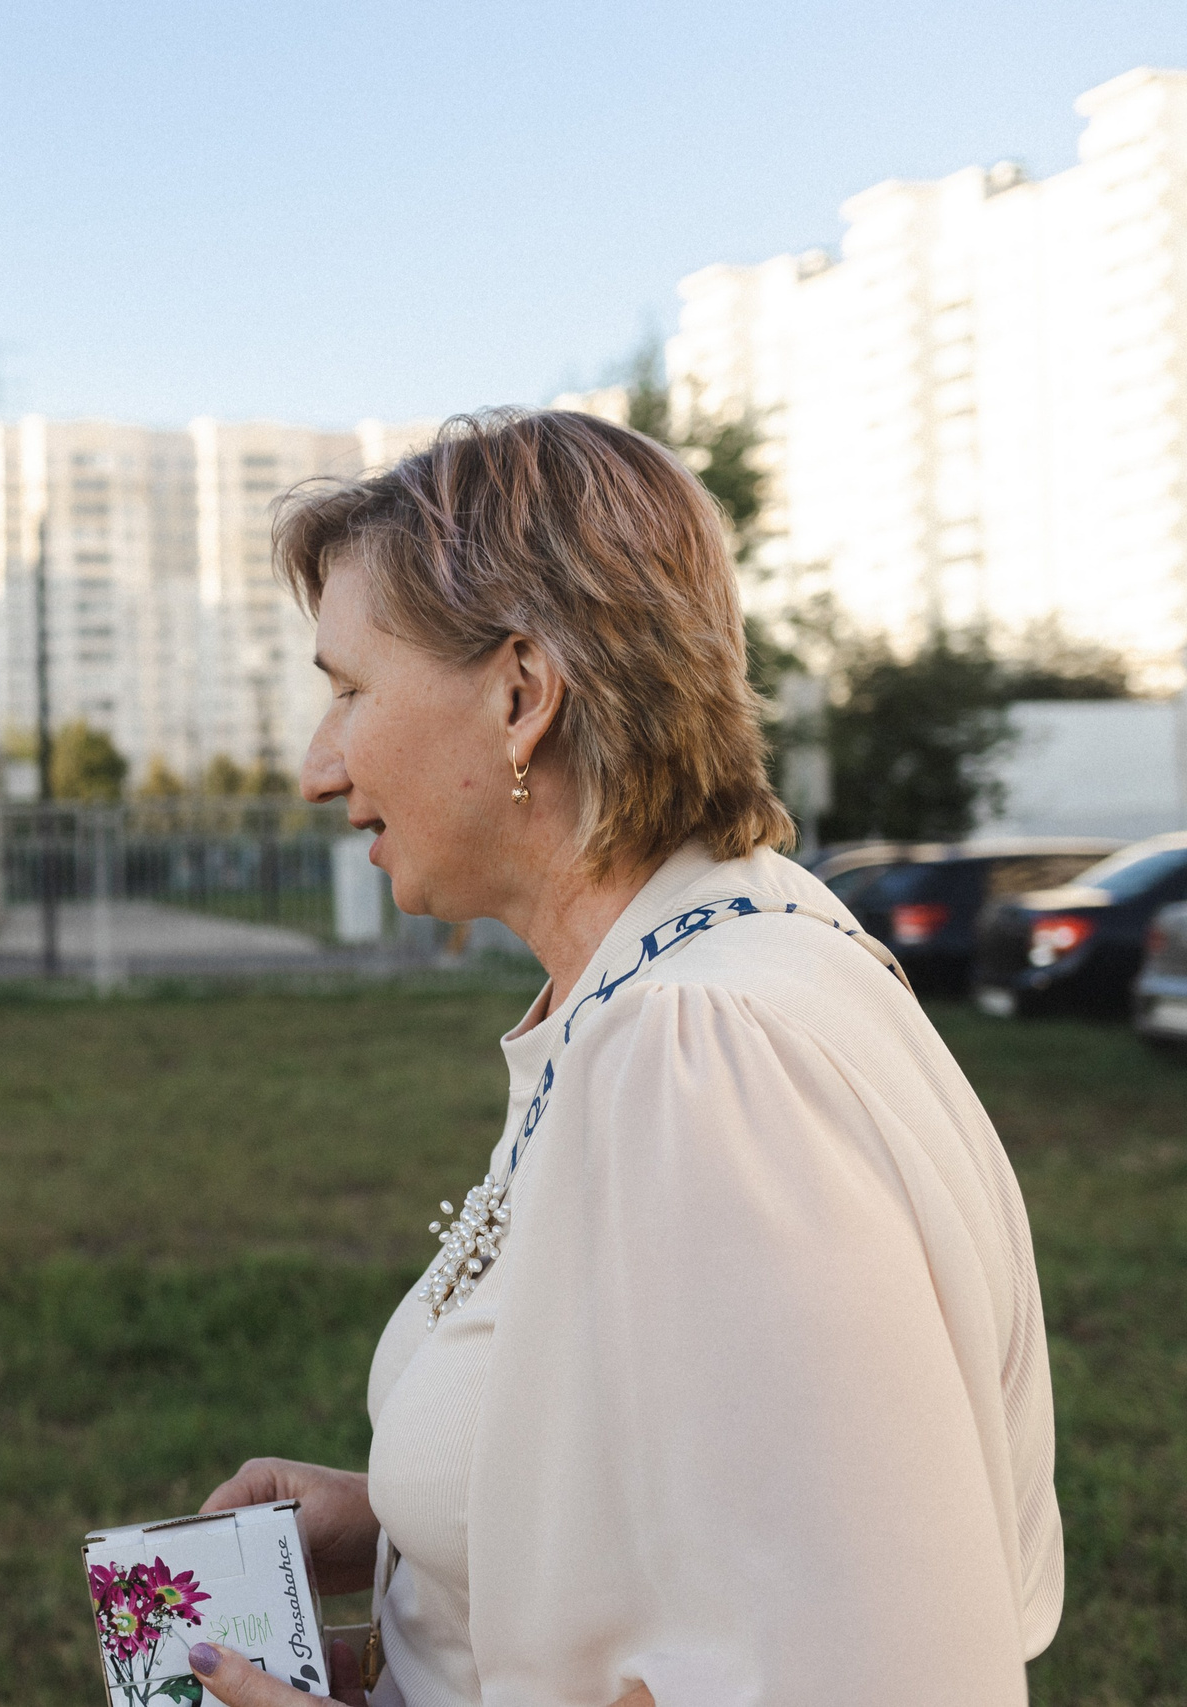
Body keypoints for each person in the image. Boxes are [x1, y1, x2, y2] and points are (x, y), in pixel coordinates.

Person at [182, 411, 1059, 1707]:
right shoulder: (692, 974)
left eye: (350, 689)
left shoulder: (709, 1055)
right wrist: (417, 1530)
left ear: (523, 694)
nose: (320, 766)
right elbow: (707, 1502)